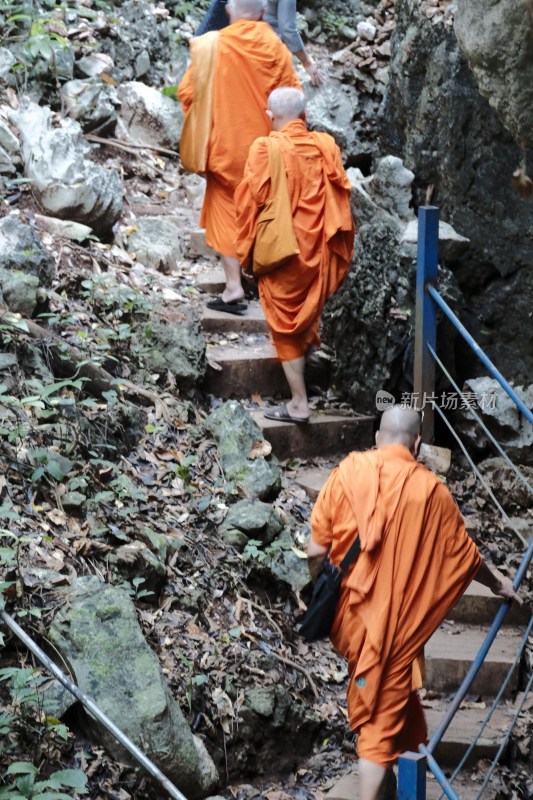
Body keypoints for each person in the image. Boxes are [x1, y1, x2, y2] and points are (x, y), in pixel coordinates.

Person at [307, 405, 523, 800]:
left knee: (404, 725)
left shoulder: (346, 473)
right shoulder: (430, 492)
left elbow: (315, 548)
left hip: (352, 620)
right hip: (390, 632)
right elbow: (465, 556)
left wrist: (324, 591)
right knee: (376, 735)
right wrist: (498, 584)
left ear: (377, 438)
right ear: (418, 444)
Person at [234, 87, 354, 423]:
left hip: (283, 255)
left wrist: (247, 255)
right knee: (303, 314)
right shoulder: (326, 145)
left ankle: (298, 403)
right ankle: (306, 366)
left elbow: (249, 204)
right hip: (320, 250)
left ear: (271, 116)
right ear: (304, 115)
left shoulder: (265, 147)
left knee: (286, 326)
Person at [178, 0, 300, 315]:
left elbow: (187, 94)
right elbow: (294, 100)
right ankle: (263, 279)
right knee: (264, 212)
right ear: (261, 13)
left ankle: (233, 288)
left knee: (225, 212)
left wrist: (203, 134)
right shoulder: (274, 47)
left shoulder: (212, 46)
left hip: (224, 150)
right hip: (266, 152)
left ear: (229, 12)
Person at [195, 0, 324, 85]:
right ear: (262, 12)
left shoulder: (221, 43)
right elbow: (287, 29)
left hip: (234, 41)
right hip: (267, 48)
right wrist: (306, 61)